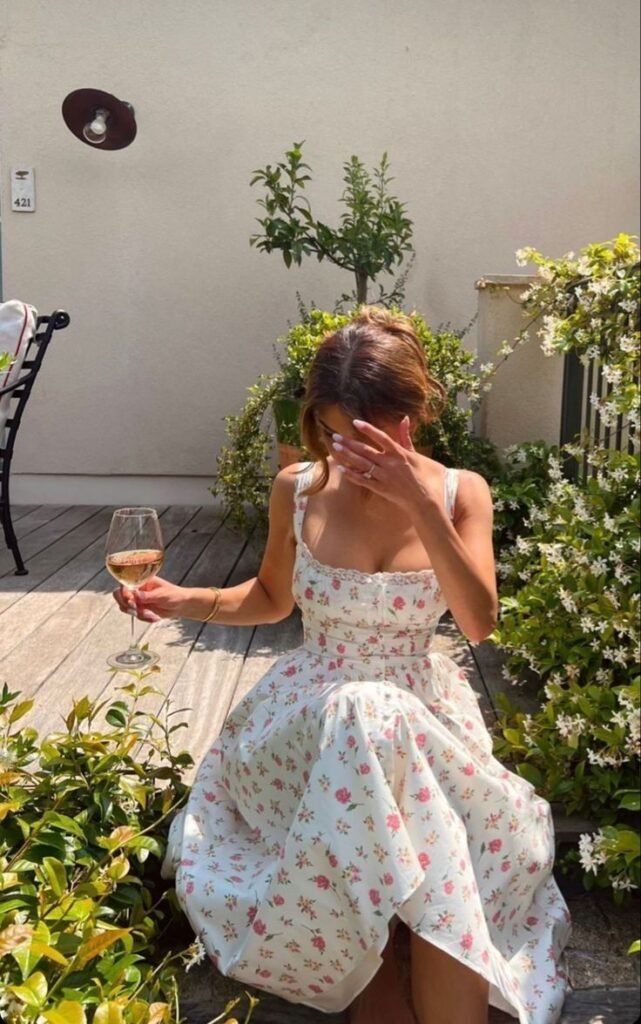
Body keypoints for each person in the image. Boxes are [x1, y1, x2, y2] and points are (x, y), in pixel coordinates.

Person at [113, 307, 572, 1024]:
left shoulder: (460, 494)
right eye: (331, 431)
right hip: (311, 725)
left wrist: (421, 505)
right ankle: (394, 952)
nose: (345, 448)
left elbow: (478, 623)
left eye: (365, 432)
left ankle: (391, 948)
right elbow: (269, 598)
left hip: (421, 724)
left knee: (383, 725)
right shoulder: (297, 487)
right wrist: (183, 601)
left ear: (408, 419)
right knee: (364, 714)